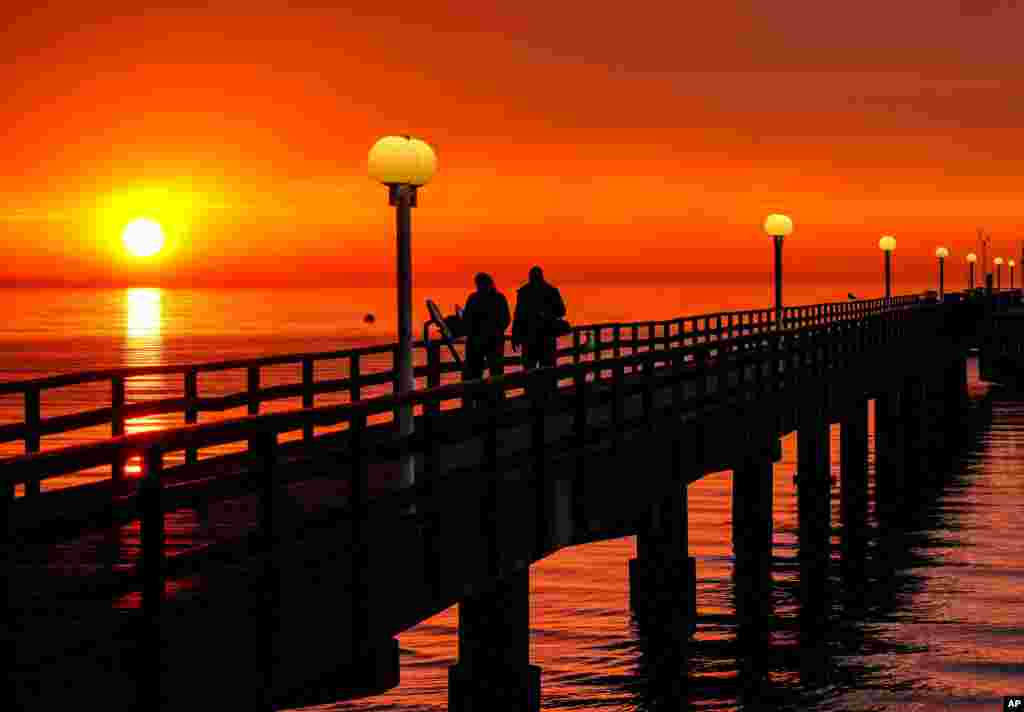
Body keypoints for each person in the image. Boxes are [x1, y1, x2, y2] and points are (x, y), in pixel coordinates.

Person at [512, 266, 566, 396]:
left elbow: (517, 316)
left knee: (536, 369)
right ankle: (546, 394)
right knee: (543, 369)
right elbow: (561, 311)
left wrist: (516, 335)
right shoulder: (550, 291)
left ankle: (534, 395)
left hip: (535, 338)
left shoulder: (525, 292)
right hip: (541, 338)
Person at [461, 272, 511, 384]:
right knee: (485, 372)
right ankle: (491, 396)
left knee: (490, 372)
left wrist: (492, 331)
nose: (479, 286)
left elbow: (466, 319)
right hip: (486, 341)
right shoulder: (498, 298)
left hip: (483, 341)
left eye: (480, 284)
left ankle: (489, 396)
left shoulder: (475, 298)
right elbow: (506, 319)